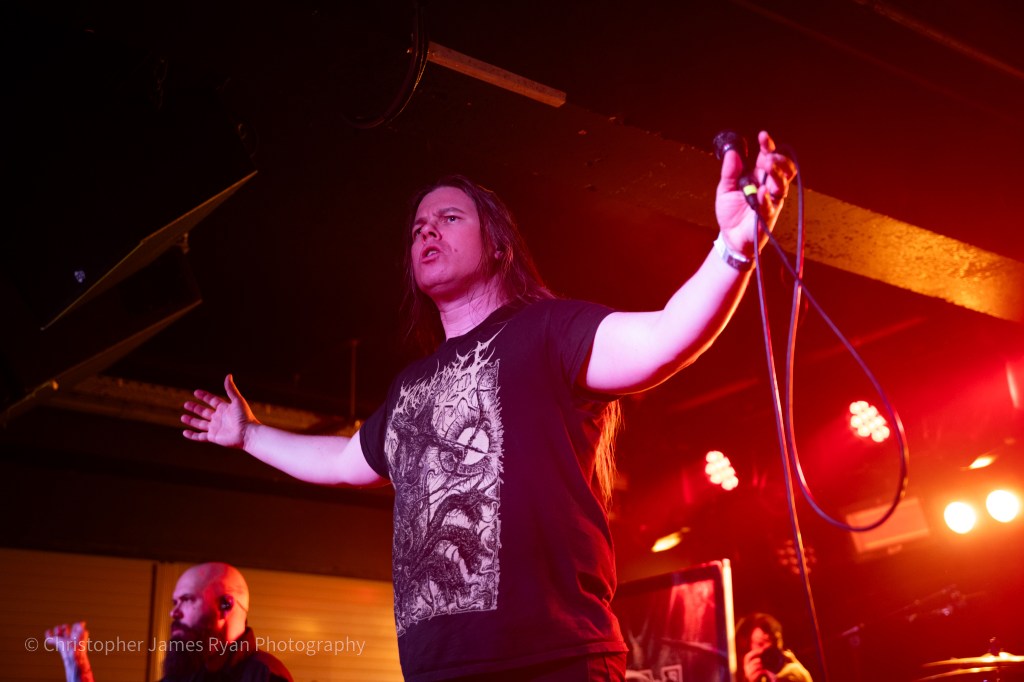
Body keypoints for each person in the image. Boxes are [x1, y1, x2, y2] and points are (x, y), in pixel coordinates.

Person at [181, 131, 796, 681]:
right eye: (418, 227)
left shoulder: (547, 331)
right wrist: (248, 435)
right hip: (437, 669)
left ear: (499, 246)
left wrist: (733, 248)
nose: (427, 231)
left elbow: (664, 338)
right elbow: (344, 461)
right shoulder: (411, 386)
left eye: (449, 218)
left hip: (553, 660)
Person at [45, 562, 293, 682]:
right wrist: (77, 666)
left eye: (186, 600)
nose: (174, 613)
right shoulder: (187, 673)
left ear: (225, 606)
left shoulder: (264, 676)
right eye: (174, 603)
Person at [735, 613, 812, 682]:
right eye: (760, 644)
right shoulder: (734, 675)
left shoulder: (791, 672)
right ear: (747, 648)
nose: (768, 649)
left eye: (774, 643)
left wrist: (806, 679)